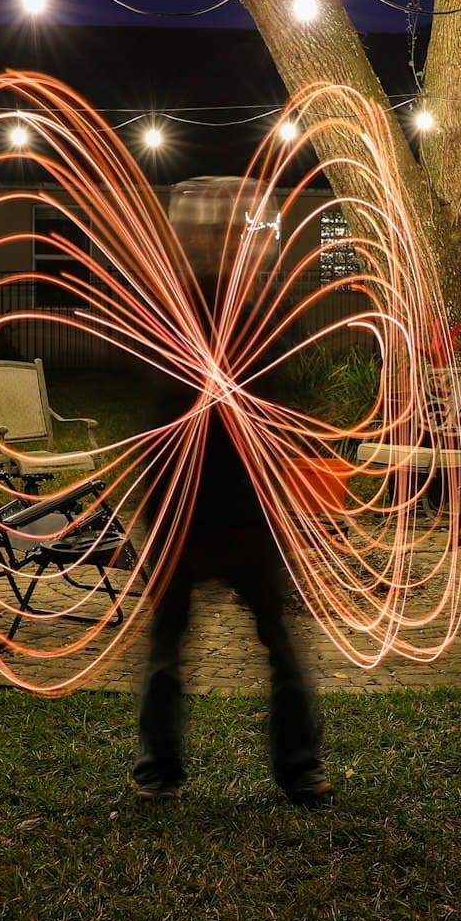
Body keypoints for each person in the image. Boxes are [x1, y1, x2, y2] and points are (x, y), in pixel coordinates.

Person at [133, 177, 332, 807]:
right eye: (209, 232)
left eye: (224, 232)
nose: (216, 241)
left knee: (264, 643)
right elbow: (163, 418)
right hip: (200, 514)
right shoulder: (197, 316)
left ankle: (291, 770)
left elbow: (269, 414)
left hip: (233, 513)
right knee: (178, 651)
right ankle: (173, 771)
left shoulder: (231, 317)